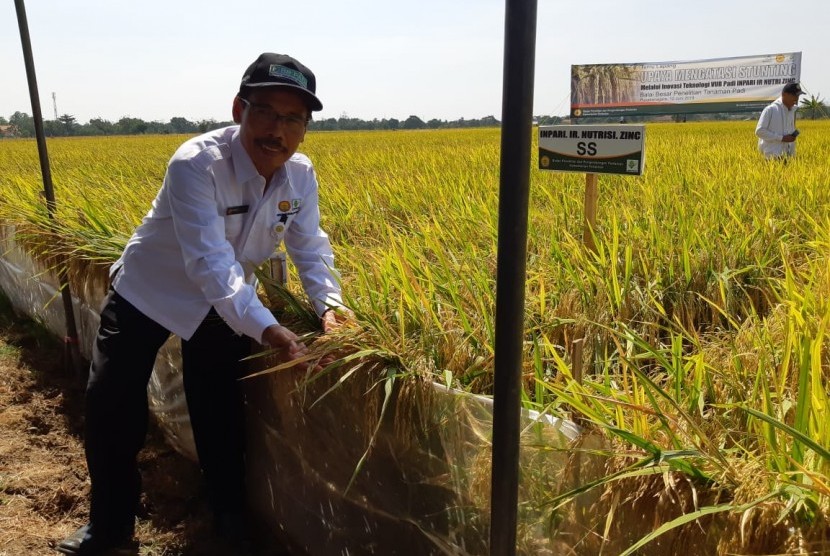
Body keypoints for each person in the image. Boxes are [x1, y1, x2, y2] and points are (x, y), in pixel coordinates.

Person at [57, 52, 352, 555]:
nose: (276, 130)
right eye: (265, 112)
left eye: (292, 119)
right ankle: (109, 528)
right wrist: (269, 329)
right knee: (112, 403)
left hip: (226, 303)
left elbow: (309, 246)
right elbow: (209, 266)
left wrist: (330, 305)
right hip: (150, 291)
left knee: (219, 412)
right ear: (239, 109)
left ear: (305, 128)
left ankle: (228, 523)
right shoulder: (198, 163)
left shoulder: (300, 175)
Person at [755, 82, 805, 159]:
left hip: (787, 157)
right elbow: (759, 131)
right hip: (771, 158)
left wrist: (793, 155)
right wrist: (781, 138)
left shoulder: (792, 111)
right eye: (794, 95)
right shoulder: (770, 110)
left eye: (798, 95)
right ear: (784, 94)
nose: (796, 98)